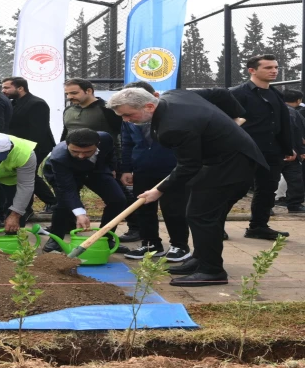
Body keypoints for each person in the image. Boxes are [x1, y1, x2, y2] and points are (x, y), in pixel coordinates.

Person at [108, 87, 268, 287]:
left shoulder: (172, 127)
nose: (125, 120)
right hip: (220, 160)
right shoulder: (174, 95)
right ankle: (200, 260)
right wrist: (232, 119)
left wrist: (158, 190)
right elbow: (218, 94)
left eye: (128, 114)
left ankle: (212, 271)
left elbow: (188, 166)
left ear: (149, 105)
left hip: (231, 164)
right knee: (201, 213)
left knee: (201, 215)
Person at [119, 81, 190, 262]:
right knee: (143, 207)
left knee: (173, 208)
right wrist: (126, 168)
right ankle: (150, 244)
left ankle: (179, 246)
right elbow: (127, 143)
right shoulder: (128, 119)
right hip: (142, 168)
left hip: (171, 168)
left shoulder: (172, 115)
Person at [62, 78, 139, 243]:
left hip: (104, 162)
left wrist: (118, 165)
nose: (70, 96)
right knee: (66, 195)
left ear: (89, 91)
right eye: (67, 93)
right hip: (73, 162)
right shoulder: (69, 110)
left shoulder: (107, 110)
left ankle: (130, 229)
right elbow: (65, 135)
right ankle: (63, 227)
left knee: (120, 197)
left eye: (74, 93)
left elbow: (122, 135)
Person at [230, 54, 292, 240]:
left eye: (275, 67)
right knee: (235, 189)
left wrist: (289, 148)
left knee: (267, 189)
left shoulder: (276, 94)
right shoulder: (237, 93)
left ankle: (258, 226)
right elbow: (225, 123)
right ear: (252, 70)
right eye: (268, 67)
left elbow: (282, 123)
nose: (274, 71)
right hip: (245, 152)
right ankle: (215, 224)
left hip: (272, 152)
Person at [42, 129, 126, 254]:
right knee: (64, 204)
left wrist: (112, 168)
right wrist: (80, 213)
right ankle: (56, 239)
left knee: (118, 200)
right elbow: (67, 189)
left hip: (95, 170)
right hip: (63, 173)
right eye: (75, 151)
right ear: (67, 145)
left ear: (97, 144)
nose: (81, 156)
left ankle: (105, 238)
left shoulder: (106, 138)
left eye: (87, 152)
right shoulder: (58, 158)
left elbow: (110, 153)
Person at [1, 76, 58, 214]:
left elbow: (38, 130)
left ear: (20, 88)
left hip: (37, 146)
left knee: (28, 175)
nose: (3, 91)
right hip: (21, 146)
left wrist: (29, 149)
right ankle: (29, 207)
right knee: (26, 175)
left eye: (7, 87)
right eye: (2, 87)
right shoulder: (13, 103)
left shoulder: (36, 103)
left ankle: (53, 203)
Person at [277, 89, 305, 213]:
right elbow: (298, 133)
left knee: (267, 179)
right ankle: (295, 204)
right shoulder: (294, 113)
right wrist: (300, 151)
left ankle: (266, 205)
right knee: (295, 179)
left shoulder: (273, 110)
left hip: (272, 150)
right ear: (298, 100)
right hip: (291, 152)